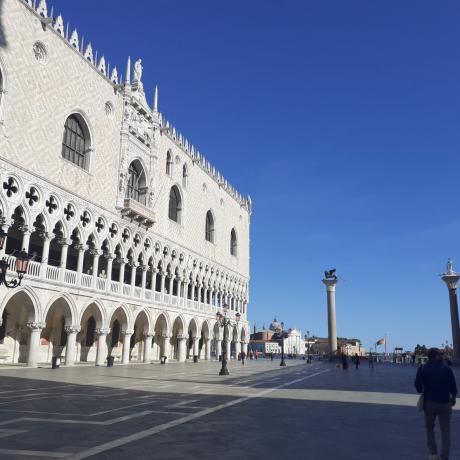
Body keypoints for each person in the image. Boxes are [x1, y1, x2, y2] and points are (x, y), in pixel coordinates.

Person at [415, 347, 457, 460]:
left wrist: (424, 389)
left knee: (429, 428)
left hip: (429, 403)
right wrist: (453, 398)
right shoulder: (447, 369)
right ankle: (445, 456)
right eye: (440, 354)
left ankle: (433, 454)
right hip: (445, 403)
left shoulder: (423, 368)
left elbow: (418, 387)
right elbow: (453, 387)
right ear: (436, 356)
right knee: (445, 431)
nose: (442, 356)